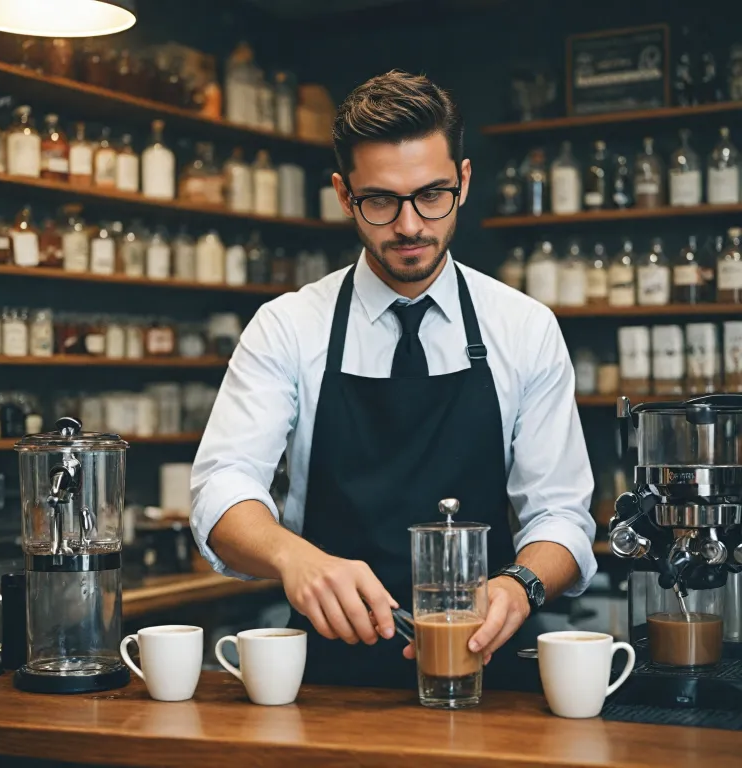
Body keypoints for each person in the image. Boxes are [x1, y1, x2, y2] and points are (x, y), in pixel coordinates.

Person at [191, 70, 596, 690]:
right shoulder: (288, 327)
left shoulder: (523, 328)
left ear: (463, 181)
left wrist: (520, 585)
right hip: (326, 685)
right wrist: (294, 558)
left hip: (484, 676)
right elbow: (222, 486)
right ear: (343, 194)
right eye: (380, 201)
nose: (409, 225)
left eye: (431, 195)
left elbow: (561, 514)